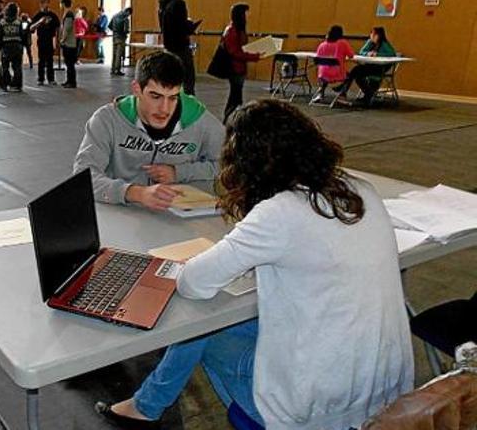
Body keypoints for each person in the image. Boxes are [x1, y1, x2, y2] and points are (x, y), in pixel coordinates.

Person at [96, 99, 414, 430]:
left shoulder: (279, 213)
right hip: (387, 392)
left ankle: (148, 405)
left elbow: (193, 282)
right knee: (229, 321)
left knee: (205, 329)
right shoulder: (360, 190)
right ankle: (148, 404)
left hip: (318, 409)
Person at [73, 50, 223, 210]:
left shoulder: (200, 120)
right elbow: (83, 179)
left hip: (179, 219)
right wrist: (135, 193)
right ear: (136, 89)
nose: (164, 109)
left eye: (173, 97)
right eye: (155, 96)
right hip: (120, 213)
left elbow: (230, 166)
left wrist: (179, 172)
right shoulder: (107, 120)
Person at [221, 2, 261, 123]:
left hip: (239, 67)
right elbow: (235, 52)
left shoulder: (238, 29)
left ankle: (230, 118)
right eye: (245, 13)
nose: (247, 16)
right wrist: (253, 56)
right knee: (236, 96)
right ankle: (229, 119)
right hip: (235, 68)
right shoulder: (233, 30)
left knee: (236, 95)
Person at [337, 26, 397, 106]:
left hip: (380, 67)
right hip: (370, 65)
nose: (371, 35)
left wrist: (378, 54)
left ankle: (344, 89)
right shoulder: (370, 42)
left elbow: (392, 54)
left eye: (373, 34)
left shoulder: (384, 44)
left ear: (378, 35)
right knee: (357, 74)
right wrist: (367, 53)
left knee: (356, 71)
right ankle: (368, 94)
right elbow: (362, 51)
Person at [159, 0, 196, 95]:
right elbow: (181, 25)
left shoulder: (163, 5)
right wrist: (190, 25)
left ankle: (170, 97)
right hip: (180, 45)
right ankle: (189, 101)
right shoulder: (179, 3)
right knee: (188, 76)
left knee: (171, 75)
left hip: (168, 44)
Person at [312, 24, 354, 103]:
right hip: (338, 75)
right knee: (350, 75)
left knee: (325, 71)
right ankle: (342, 95)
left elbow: (318, 58)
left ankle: (320, 93)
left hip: (322, 75)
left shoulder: (322, 45)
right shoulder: (342, 43)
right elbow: (351, 55)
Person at [29, 0, 60, 86]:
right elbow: (31, 28)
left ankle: (51, 79)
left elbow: (58, 27)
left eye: (46, 2)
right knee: (41, 60)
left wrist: (57, 39)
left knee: (50, 60)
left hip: (50, 39)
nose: (45, 5)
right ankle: (41, 78)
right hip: (41, 39)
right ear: (40, 4)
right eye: (43, 3)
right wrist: (40, 22)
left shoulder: (53, 15)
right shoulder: (38, 15)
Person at [0, 2, 24, 92]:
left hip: (6, 47)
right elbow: (22, 34)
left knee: (5, 67)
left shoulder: (2, 22)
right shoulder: (18, 22)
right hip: (17, 46)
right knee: (17, 67)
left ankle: (5, 84)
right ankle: (17, 85)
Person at [59, 0, 78, 89]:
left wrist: (62, 39)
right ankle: (69, 80)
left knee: (70, 63)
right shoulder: (67, 14)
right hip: (69, 42)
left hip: (69, 43)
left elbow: (67, 28)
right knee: (68, 63)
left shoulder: (69, 14)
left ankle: (72, 82)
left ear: (63, 4)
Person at [108, 7, 131, 76]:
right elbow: (125, 30)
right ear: (128, 12)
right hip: (121, 38)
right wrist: (126, 32)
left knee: (114, 54)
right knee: (119, 54)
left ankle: (112, 69)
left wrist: (115, 32)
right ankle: (117, 70)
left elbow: (110, 26)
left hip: (114, 37)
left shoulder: (115, 16)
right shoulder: (125, 19)